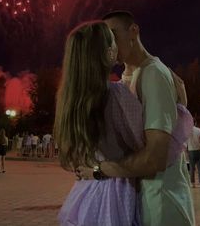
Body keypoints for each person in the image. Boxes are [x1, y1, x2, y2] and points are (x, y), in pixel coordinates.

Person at [77, 11, 195, 226]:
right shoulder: (127, 78)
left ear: (133, 31)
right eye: (107, 38)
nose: (110, 44)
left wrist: (99, 170)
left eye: (114, 35)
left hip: (161, 202)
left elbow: (155, 158)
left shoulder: (153, 74)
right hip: (141, 201)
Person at [55, 21, 144, 226]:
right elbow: (143, 144)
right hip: (118, 193)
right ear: (108, 53)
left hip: (86, 193)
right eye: (112, 41)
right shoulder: (117, 95)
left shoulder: (70, 102)